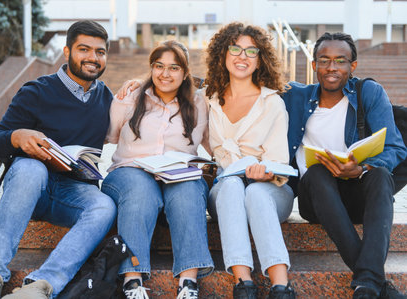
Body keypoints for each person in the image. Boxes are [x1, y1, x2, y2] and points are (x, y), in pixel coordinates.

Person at [0, 20, 117, 299]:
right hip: (31, 188)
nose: (92, 57)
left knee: (104, 206)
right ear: (67, 52)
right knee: (29, 167)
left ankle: (41, 285)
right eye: (83, 49)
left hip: (74, 192)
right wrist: (17, 136)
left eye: (100, 52)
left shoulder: (107, 98)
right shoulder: (36, 91)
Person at [283, 32, 407, 299]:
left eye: (340, 61)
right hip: (315, 199)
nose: (332, 67)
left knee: (380, 175)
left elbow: (396, 147)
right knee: (316, 172)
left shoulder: (369, 92)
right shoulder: (296, 96)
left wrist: (361, 169)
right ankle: (373, 282)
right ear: (314, 65)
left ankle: (368, 285)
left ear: (353, 66)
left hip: (357, 196)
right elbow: (255, 91)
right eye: (324, 60)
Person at [101, 40, 214, 299]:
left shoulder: (199, 103)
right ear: (151, 68)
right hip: (130, 171)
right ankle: (132, 281)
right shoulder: (132, 95)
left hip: (178, 174)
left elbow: (213, 145)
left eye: (174, 68)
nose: (165, 74)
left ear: (185, 73)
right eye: (159, 66)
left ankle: (188, 283)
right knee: (141, 192)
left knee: (189, 191)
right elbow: (110, 135)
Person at [204, 22, 296, 299]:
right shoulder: (207, 98)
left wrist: (265, 173)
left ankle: (281, 286)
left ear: (260, 60)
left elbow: (280, 161)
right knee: (231, 186)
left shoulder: (272, 103)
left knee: (255, 192)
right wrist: (135, 85)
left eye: (251, 51)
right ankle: (243, 283)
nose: (242, 56)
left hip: (270, 190)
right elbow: (167, 90)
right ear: (223, 54)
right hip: (226, 191)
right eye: (235, 49)